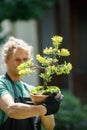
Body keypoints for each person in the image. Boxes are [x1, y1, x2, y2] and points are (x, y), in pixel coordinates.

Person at [0, 37, 62, 130]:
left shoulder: (32, 90)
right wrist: (45, 108)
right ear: (6, 60)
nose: (22, 63)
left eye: (25, 59)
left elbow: (50, 126)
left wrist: (50, 101)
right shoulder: (2, 84)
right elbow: (11, 109)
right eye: (17, 59)